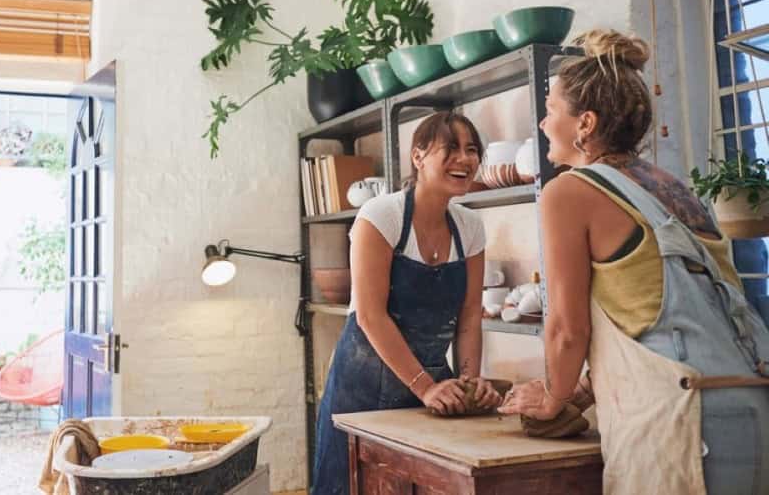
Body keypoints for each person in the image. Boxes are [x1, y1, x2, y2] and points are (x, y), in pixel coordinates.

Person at [498, 30, 769, 494]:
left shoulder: (570, 190)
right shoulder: (672, 188)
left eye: (549, 112)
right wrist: (580, 398)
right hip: (746, 409)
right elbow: (651, 317)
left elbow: (567, 329)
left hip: (680, 422)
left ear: (585, 123)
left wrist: (552, 399)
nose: (542, 125)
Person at [312, 111, 502, 494]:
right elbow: (370, 314)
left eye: (471, 150)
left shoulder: (470, 226)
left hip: (431, 386)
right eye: (451, 148)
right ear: (418, 156)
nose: (465, 159)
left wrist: (467, 381)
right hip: (363, 388)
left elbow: (468, 318)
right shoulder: (381, 215)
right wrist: (425, 387)